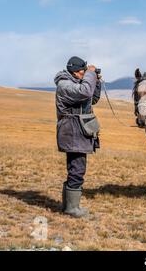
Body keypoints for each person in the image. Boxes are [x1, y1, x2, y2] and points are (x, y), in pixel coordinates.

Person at [54, 56, 101, 218]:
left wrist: (97, 81)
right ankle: (72, 209)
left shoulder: (74, 83)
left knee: (75, 168)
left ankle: (69, 206)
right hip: (72, 131)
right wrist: (91, 74)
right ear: (75, 71)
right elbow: (85, 91)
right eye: (83, 71)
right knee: (77, 169)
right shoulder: (64, 85)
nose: (84, 73)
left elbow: (92, 98)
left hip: (76, 131)